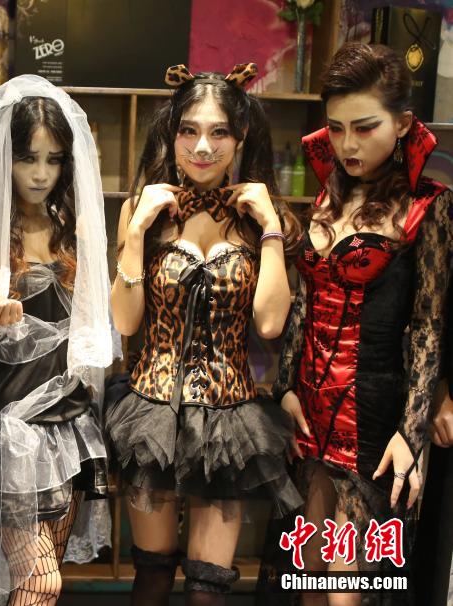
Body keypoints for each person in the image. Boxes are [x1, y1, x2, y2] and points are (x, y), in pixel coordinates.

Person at [105, 62, 302, 606]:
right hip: (151, 414)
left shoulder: (262, 218)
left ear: (241, 137)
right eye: (189, 130)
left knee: (207, 590)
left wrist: (270, 228)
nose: (202, 147)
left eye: (219, 132)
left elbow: (270, 323)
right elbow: (125, 322)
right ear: (172, 134)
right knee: (151, 577)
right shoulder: (141, 210)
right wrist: (137, 231)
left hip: (229, 420)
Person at [269, 42, 452, 606]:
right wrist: (284, 388)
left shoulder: (428, 205)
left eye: (365, 127)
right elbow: (303, 301)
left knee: (349, 591)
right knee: (307, 580)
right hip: (308, 413)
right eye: (337, 128)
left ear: (402, 124)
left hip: (373, 418)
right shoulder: (328, 195)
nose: (348, 144)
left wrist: (411, 432)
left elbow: (428, 326)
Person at [0, 74, 116, 606]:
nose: (40, 174)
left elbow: (96, 327)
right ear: (4, 157)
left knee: (38, 584)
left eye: (53, 160)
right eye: (27, 158)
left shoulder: (72, 227)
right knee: (41, 581)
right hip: (10, 424)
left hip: (70, 421)